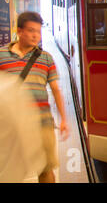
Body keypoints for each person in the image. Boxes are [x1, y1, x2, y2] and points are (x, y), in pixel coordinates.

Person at [0, 11, 69, 183]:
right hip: (10, 126)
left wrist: (63, 120)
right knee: (10, 171)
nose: (35, 35)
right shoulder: (1, 55)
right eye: (31, 30)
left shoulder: (46, 58)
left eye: (38, 31)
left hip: (42, 123)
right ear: (20, 31)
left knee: (46, 170)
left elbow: (55, 89)